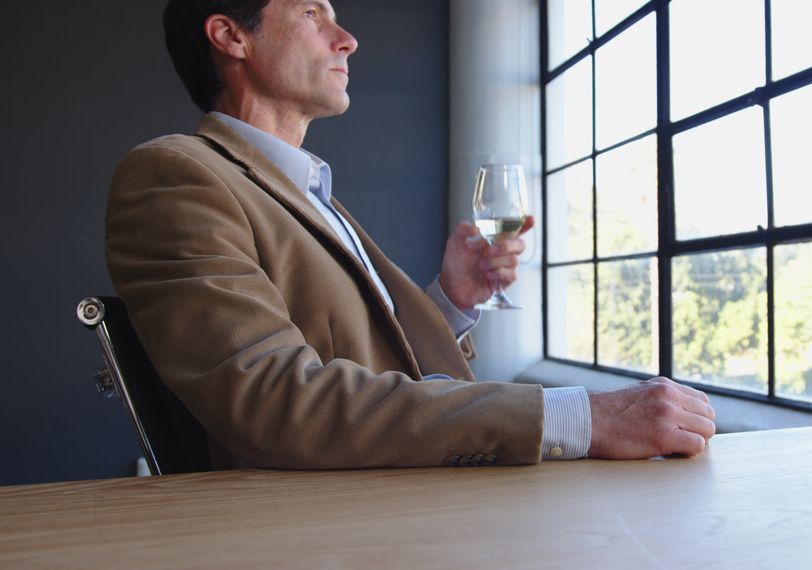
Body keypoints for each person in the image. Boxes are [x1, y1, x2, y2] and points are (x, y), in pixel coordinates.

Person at [105, 0, 716, 469]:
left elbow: (345, 354)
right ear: (231, 36)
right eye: (312, 12)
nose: (346, 39)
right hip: (316, 529)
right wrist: (573, 416)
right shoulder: (176, 175)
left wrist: (448, 301)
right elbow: (272, 400)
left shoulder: (305, 189)